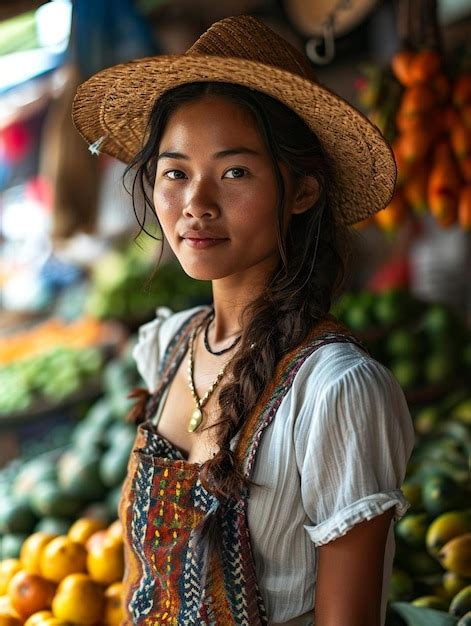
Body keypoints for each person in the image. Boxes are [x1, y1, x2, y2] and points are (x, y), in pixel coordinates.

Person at [73, 15, 414, 626]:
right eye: (175, 172)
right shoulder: (167, 348)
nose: (195, 204)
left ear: (303, 190)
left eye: (234, 172)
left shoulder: (335, 392)